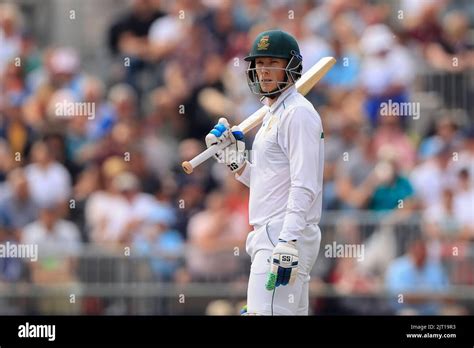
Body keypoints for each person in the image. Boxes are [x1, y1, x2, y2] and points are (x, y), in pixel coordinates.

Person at [205, 30, 324, 315]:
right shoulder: (274, 113)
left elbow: (305, 184)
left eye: (273, 62)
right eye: (259, 64)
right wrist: (237, 162)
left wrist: (287, 240)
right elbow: (269, 182)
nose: (264, 71)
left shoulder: (298, 113)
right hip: (273, 232)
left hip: (281, 233)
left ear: (291, 66)